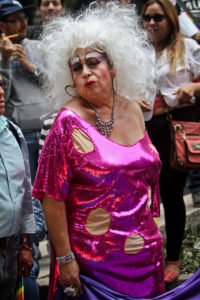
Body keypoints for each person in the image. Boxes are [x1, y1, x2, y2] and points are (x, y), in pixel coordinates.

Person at [32, 2, 165, 299]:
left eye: (94, 62)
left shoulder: (132, 108)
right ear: (71, 79)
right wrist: (66, 260)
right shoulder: (67, 124)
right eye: (77, 67)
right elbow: (51, 199)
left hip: (146, 255)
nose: (86, 72)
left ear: (113, 66)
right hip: (94, 266)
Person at [141, 0, 200, 284]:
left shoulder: (189, 47)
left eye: (158, 17)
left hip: (178, 129)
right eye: (147, 18)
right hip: (145, 129)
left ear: (172, 18)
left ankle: (173, 258)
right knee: (143, 197)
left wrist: (194, 86)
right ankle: (144, 254)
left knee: (172, 195)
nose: (151, 23)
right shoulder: (137, 52)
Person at [0, 0, 48, 182]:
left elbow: (55, 84)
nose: (24, 24)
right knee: (27, 188)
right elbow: (5, 94)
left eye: (25, 18)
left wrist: (30, 66)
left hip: (48, 129)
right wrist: (4, 61)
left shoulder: (39, 46)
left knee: (50, 188)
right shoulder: (1, 53)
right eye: (17, 20)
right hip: (20, 132)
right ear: (2, 25)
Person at [0, 74, 36, 299]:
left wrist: (24, 244)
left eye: (1, 86)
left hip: (10, 249)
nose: (1, 92)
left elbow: (25, 192)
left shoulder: (13, 131)